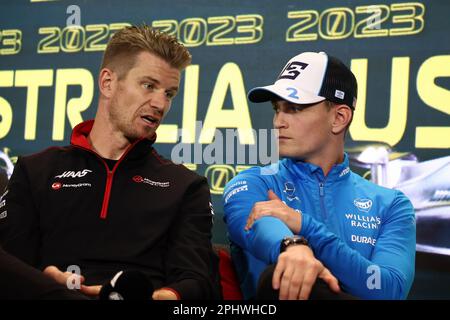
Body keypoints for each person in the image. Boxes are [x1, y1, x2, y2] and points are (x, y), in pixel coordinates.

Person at [0, 25, 221, 300]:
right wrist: (47, 280)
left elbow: (199, 282)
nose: (160, 104)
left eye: (169, 93)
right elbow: (10, 267)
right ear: (107, 83)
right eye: (149, 86)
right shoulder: (36, 171)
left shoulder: (185, 186)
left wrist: (153, 297)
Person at [223, 51, 416, 300]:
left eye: (294, 108)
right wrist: (292, 247)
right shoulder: (253, 184)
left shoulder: (391, 205)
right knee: (278, 278)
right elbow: (259, 226)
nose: (278, 121)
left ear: (339, 118)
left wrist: (305, 226)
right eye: (277, 109)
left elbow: (388, 289)